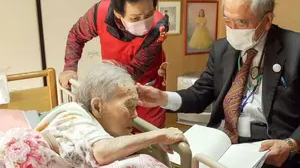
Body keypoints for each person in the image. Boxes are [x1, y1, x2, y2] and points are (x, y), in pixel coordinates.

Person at [136, 0, 300, 168]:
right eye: (228, 21)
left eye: (241, 23)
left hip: (276, 146)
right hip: (225, 141)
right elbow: (202, 92)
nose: (233, 29)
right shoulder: (222, 49)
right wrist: (163, 98)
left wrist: (291, 145)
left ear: (268, 20)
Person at [0, 63, 186, 167]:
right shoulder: (76, 116)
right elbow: (100, 152)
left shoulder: (90, 122)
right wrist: (159, 134)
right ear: (97, 106)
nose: (135, 114)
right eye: (129, 106)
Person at [58, 0, 168, 129]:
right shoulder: (100, 13)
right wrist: (70, 67)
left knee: (151, 139)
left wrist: (95, 89)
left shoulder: (159, 26)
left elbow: (136, 68)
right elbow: (76, 36)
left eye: (149, 14)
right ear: (117, 13)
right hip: (113, 87)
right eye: (135, 18)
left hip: (147, 89)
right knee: (115, 136)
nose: (143, 22)